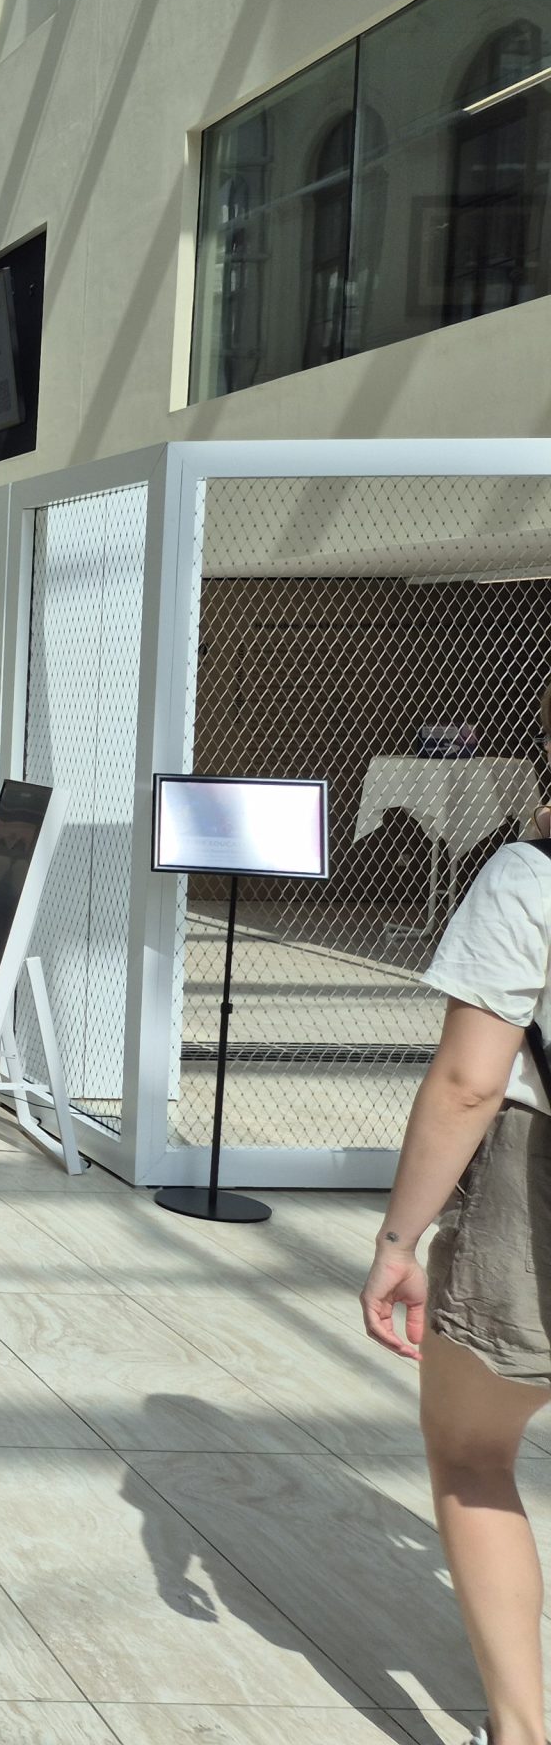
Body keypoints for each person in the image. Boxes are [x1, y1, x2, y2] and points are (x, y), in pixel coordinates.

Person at [363, 696, 551, 1745]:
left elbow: (471, 1082)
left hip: (534, 1196)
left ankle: (521, 1730)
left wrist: (398, 1242)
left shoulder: (528, 878)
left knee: (475, 1457)